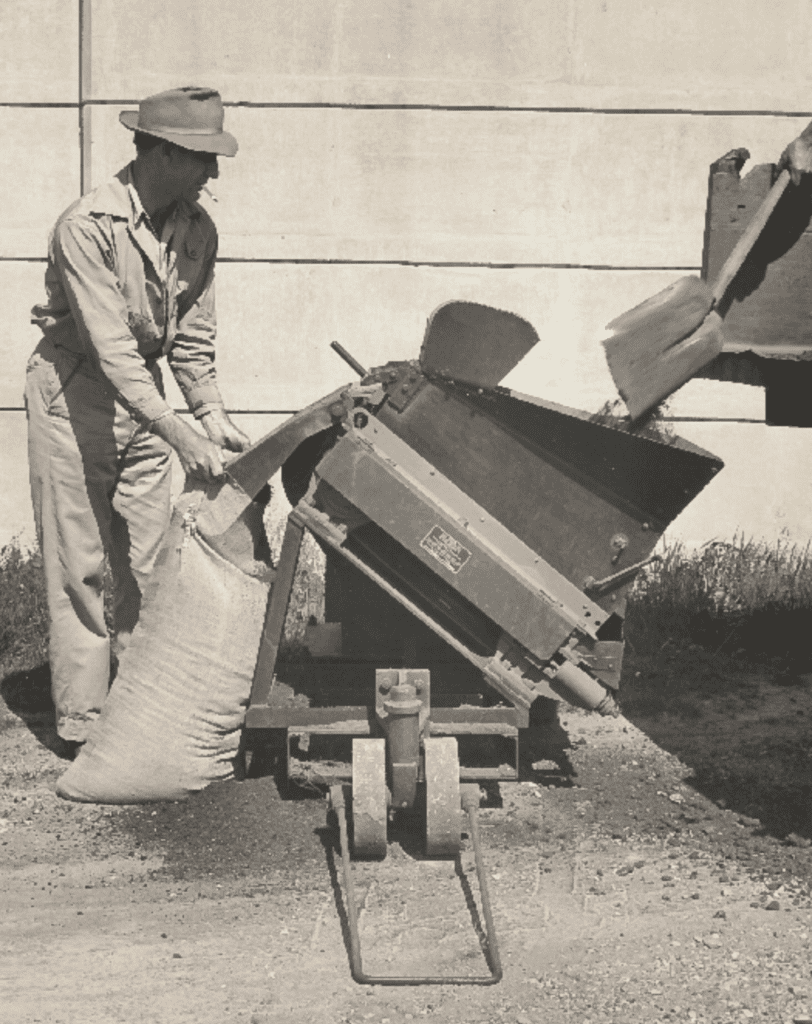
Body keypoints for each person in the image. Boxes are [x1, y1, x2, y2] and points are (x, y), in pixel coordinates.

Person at [25, 86, 250, 754]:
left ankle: (149, 702)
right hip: (74, 393)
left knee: (157, 561)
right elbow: (110, 349)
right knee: (81, 561)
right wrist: (179, 432)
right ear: (160, 152)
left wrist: (212, 415)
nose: (213, 174)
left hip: (143, 401)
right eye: (203, 159)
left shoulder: (199, 231)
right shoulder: (86, 226)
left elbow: (191, 343)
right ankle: (85, 723)